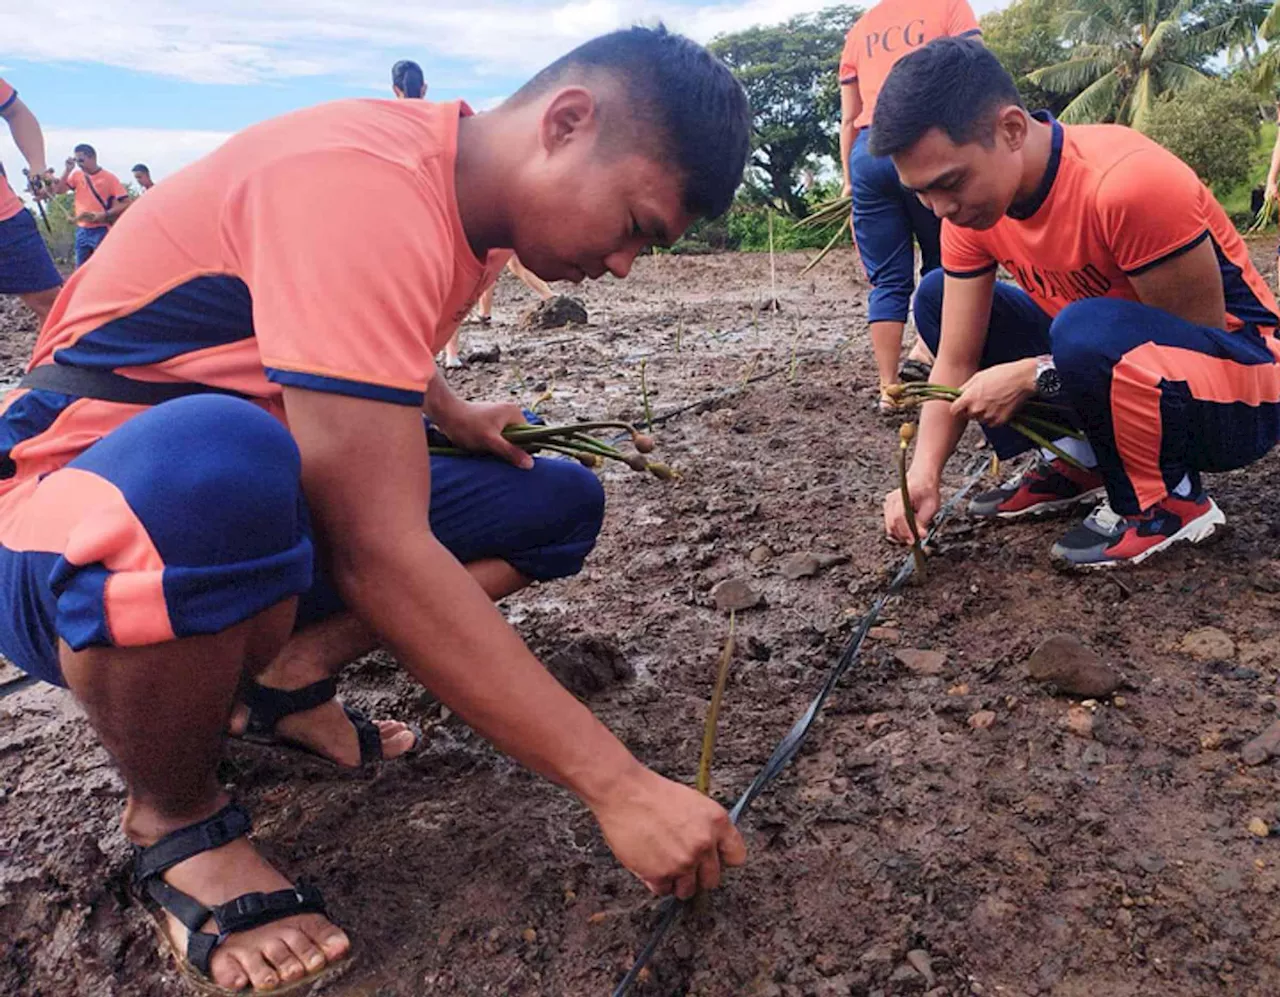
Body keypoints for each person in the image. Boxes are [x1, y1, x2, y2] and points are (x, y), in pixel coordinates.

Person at [0, 25, 750, 993]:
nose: (620, 266)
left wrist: (447, 409)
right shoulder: (360, 181)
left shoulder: (468, 209)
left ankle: (283, 679)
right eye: (635, 226)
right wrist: (618, 785)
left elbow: (348, 326)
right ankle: (178, 820)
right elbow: (377, 550)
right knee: (231, 464)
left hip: (234, 504)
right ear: (566, 124)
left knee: (554, 502)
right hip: (65, 510)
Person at [878, 38, 1280, 569]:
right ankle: (1081, 459)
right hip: (1115, 362)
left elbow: (1191, 352)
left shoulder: (1126, 185)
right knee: (936, 298)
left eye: (950, 183)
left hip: (1240, 389)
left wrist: (1033, 374)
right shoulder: (967, 218)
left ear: (1012, 130)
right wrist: (923, 475)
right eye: (921, 194)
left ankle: (1172, 504)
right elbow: (954, 359)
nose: (940, 209)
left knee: (1082, 327)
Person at [838, 0, 983, 412]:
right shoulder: (950, 8)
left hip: (870, 150)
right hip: (927, 145)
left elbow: (849, 119)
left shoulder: (862, 28)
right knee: (947, 261)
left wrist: (850, 182)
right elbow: (976, 73)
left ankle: (889, 390)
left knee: (888, 280)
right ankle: (925, 354)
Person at [0, 78, 62, 325]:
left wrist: (37, 165)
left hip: (5, 218)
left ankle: (59, 363)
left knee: (51, 303)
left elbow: (16, 112)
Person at [47, 143, 131, 266]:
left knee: (103, 266)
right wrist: (67, 170)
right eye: (77, 161)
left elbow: (126, 203)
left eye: (81, 160)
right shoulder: (77, 175)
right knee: (81, 268)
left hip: (101, 229)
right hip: (82, 229)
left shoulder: (109, 178)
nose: (79, 164)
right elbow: (59, 190)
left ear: (92, 158)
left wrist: (104, 214)